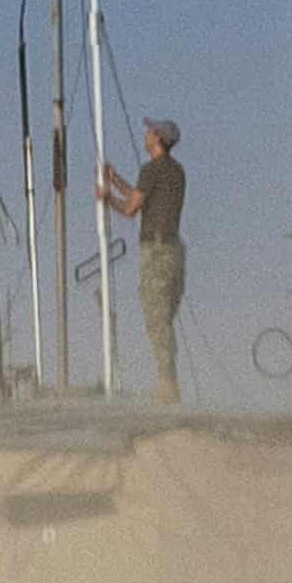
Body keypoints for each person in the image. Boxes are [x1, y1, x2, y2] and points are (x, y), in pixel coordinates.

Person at [98, 118, 188, 403]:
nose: (146, 134)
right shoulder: (175, 171)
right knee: (164, 317)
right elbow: (142, 196)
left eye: (151, 131)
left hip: (157, 250)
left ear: (158, 138)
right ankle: (168, 382)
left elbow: (130, 208)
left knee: (157, 318)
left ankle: (167, 385)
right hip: (174, 250)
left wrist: (106, 197)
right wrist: (116, 180)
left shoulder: (151, 170)